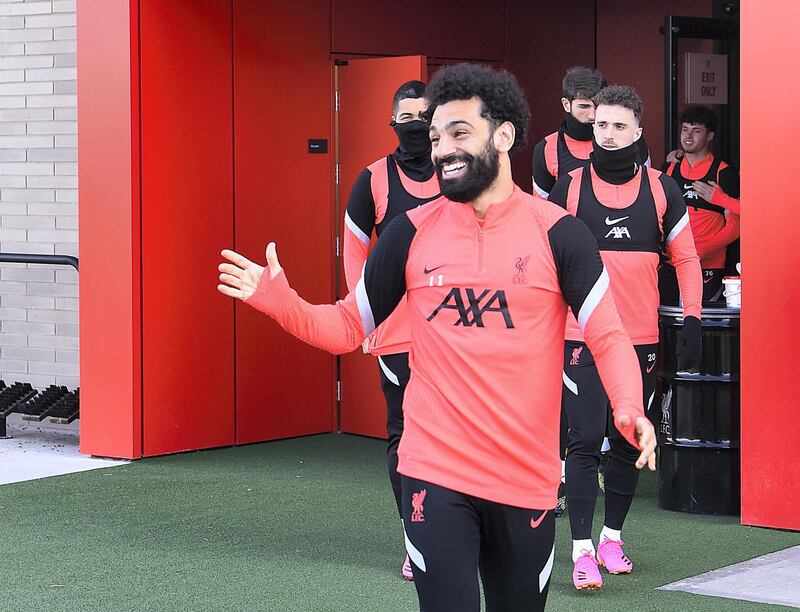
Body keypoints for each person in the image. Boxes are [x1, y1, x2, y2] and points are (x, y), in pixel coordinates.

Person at [218, 63, 656, 612]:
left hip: (524, 481)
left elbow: (608, 334)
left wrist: (627, 407)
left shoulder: (560, 234)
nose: (442, 148)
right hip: (434, 471)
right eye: (434, 136)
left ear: (503, 136)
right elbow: (347, 327)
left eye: (458, 133)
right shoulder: (409, 232)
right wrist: (281, 303)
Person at [548, 85, 702, 591]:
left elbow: (686, 259)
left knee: (628, 441)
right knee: (585, 439)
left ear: (638, 131)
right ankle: (582, 551)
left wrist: (694, 320)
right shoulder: (569, 188)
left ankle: (612, 538)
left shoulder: (663, 189)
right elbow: (541, 259)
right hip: (581, 338)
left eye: (618, 126)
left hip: (640, 342)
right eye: (600, 126)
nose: (608, 135)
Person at [343, 80, 440, 580]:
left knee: (457, 433)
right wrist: (364, 317)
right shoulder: (373, 179)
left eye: (426, 115)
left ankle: (459, 532)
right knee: (406, 435)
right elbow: (354, 252)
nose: (417, 124)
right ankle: (414, 540)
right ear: (392, 121)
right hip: (398, 334)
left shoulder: (459, 171)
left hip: (454, 332)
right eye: (407, 116)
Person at [660, 106, 740, 303]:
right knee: (667, 324)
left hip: (709, 266)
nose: (688, 136)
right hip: (672, 264)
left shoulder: (723, 172)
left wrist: (702, 249)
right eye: (685, 129)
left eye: (696, 131)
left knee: (702, 325)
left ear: (710, 136)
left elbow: (736, 226)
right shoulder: (669, 168)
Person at [532, 66, 651, 200]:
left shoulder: (629, 137)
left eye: (597, 106)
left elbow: (647, 190)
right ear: (566, 104)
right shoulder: (547, 148)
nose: (593, 115)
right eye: (584, 106)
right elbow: (542, 209)